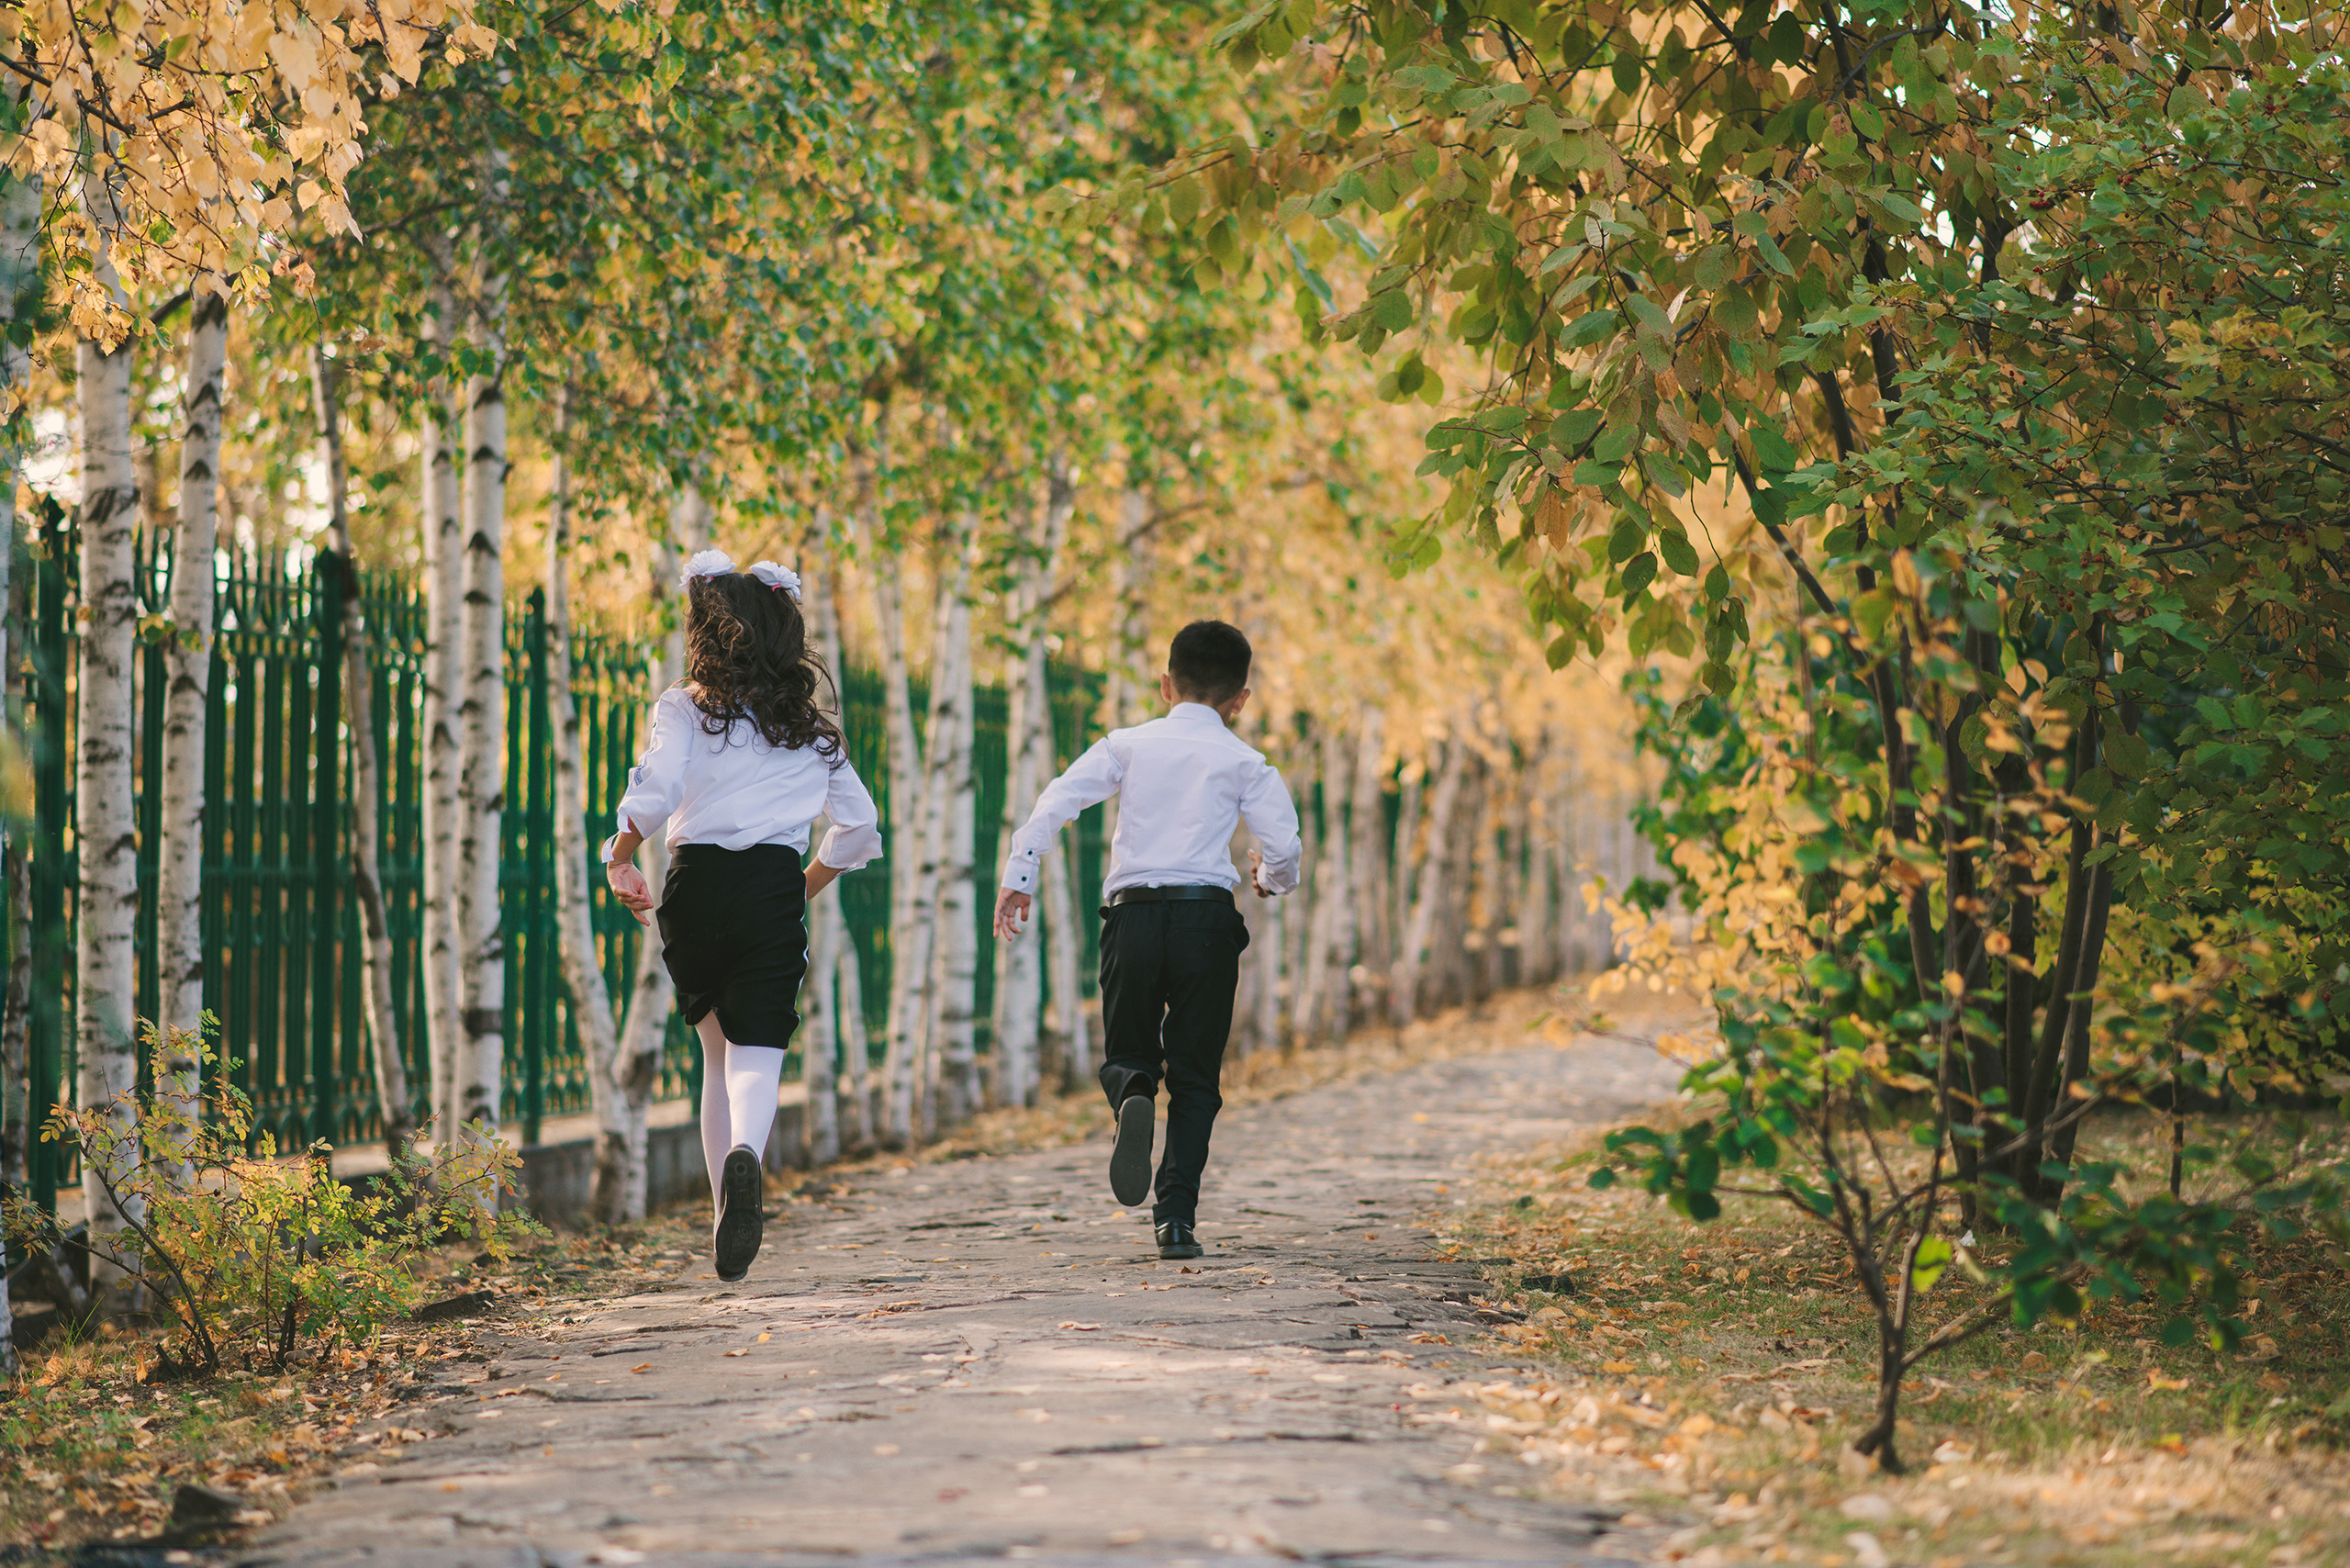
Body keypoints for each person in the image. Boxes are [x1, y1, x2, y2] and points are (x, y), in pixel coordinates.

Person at [603, 550, 881, 1282]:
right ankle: (747, 1161)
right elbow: (860, 825)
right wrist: (804, 886)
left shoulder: (684, 705)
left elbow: (657, 785)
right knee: (759, 1048)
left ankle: (724, 1215)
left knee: (714, 1054)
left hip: (695, 889)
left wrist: (622, 853)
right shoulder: (810, 730)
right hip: (771, 885)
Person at [992, 620, 1300, 1260]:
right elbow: (1285, 848)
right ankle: (1176, 1219)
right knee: (1196, 1077)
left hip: (1132, 915)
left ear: (1165, 685)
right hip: (1206, 923)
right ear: (1241, 699)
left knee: (1130, 1049)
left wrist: (1021, 873)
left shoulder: (1124, 746)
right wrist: (1269, 879)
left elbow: (1056, 801)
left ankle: (1132, 1089)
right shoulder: (1246, 762)